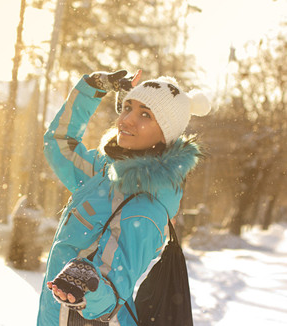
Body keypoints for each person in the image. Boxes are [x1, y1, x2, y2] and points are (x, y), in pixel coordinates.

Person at [37, 69, 210, 325]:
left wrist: (89, 287)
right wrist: (92, 88)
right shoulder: (103, 172)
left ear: (165, 134)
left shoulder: (145, 206)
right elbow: (60, 142)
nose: (126, 120)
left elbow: (113, 297)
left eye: (144, 115)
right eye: (127, 107)